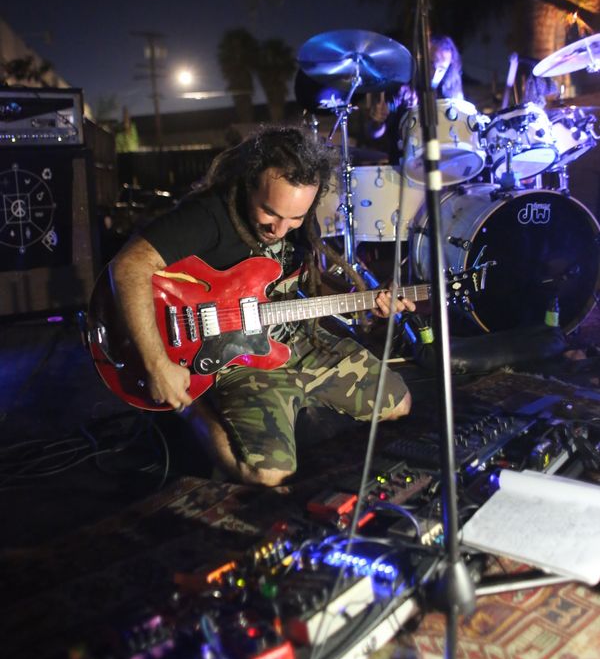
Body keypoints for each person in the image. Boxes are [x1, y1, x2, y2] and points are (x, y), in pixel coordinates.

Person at [110, 126, 414, 488]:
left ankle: (298, 395)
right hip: (233, 359)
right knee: (268, 474)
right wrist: (157, 364)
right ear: (249, 183)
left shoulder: (300, 217)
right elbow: (128, 266)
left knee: (399, 404)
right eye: (270, 213)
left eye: (295, 218)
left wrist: (363, 296)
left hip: (294, 341)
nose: (281, 229)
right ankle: (189, 408)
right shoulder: (209, 215)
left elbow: (308, 280)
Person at [366, 35, 464, 161]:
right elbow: (375, 134)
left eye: (442, 69)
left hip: (444, 164)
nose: (435, 74)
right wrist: (377, 121)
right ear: (420, 59)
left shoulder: (450, 92)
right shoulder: (400, 86)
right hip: (403, 165)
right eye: (431, 65)